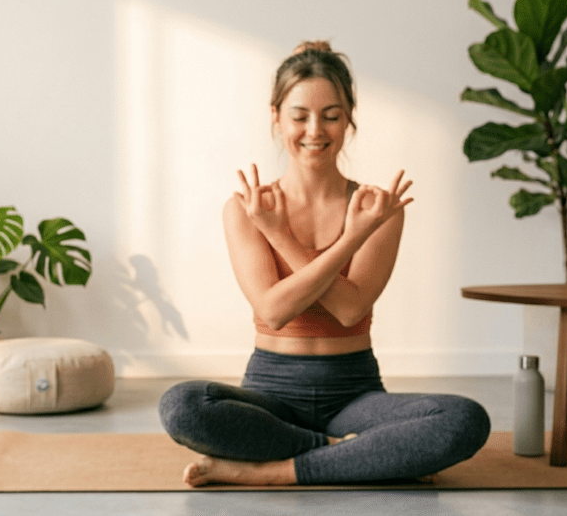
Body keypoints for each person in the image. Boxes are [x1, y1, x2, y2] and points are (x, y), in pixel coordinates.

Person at [158, 41, 490, 487]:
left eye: (331, 115)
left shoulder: (378, 208)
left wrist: (321, 234)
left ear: (350, 117)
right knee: (181, 406)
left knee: (464, 419)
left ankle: (271, 471)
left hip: (353, 395)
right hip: (269, 393)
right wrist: (288, 230)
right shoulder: (245, 208)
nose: (315, 130)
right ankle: (347, 455)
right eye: (299, 116)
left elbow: (350, 309)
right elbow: (273, 311)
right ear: (276, 116)